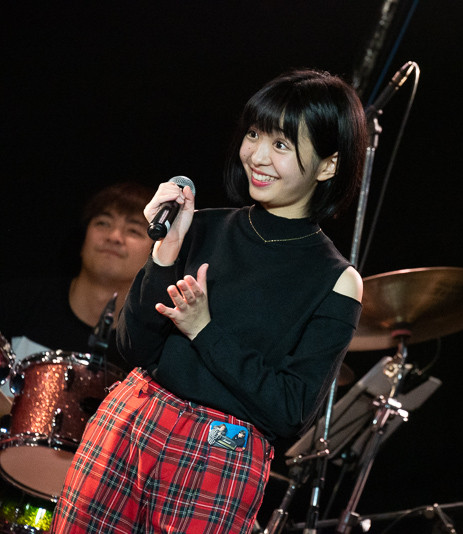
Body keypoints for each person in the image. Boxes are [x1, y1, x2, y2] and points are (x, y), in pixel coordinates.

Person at [50, 68, 368, 534]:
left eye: (281, 144)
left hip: (219, 452)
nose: (257, 156)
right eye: (255, 134)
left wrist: (204, 329)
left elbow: (291, 411)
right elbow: (131, 348)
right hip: (132, 418)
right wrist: (165, 253)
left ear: (328, 166)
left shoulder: (336, 280)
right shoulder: (200, 227)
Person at [0, 181, 155, 405]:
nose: (114, 236)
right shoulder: (17, 301)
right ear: (83, 241)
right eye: (103, 223)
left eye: (133, 230)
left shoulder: (149, 348)